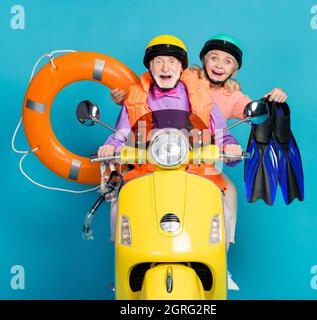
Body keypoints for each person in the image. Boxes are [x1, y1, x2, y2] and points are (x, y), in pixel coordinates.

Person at [98, 34, 242, 247]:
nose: (165, 67)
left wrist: (230, 145)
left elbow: (221, 133)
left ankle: (222, 254)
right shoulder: (136, 96)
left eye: (172, 61)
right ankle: (123, 255)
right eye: (159, 61)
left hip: (193, 168)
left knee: (223, 203)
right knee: (120, 201)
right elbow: (120, 133)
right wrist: (110, 146)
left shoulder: (201, 95)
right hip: (147, 168)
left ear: (181, 67)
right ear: (150, 67)